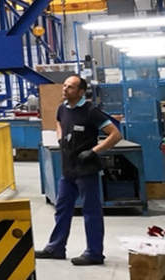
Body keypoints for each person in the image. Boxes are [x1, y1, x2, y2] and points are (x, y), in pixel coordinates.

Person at [35, 75, 122, 266]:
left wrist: (94, 151)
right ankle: (56, 248)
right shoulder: (62, 108)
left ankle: (94, 253)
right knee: (62, 209)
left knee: (91, 211)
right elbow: (58, 122)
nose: (65, 89)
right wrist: (60, 138)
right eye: (64, 85)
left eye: (70, 87)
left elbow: (115, 135)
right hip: (68, 170)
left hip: (86, 170)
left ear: (81, 92)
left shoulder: (91, 112)